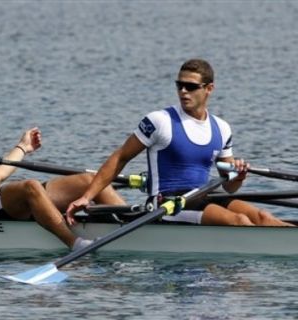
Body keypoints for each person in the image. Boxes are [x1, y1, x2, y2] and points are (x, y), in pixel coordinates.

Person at [66, 59, 293, 227]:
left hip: (203, 197)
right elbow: (121, 157)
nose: (183, 91)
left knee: (263, 218)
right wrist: (87, 197)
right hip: (167, 204)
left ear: (209, 89)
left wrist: (239, 176)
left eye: (191, 87)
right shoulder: (160, 121)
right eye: (179, 85)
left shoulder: (222, 128)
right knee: (239, 222)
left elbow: (229, 186)